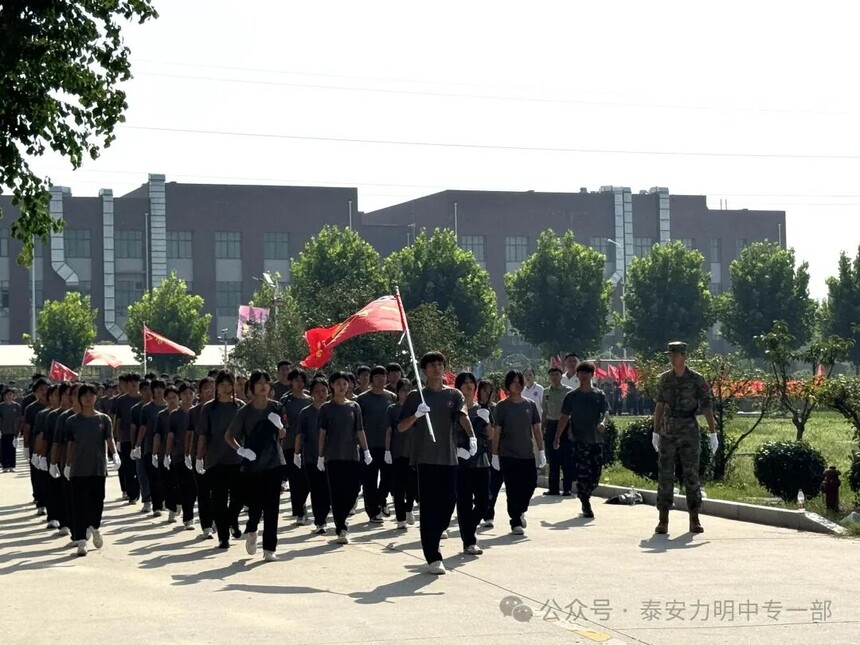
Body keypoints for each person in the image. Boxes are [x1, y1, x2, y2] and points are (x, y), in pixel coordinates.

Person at [399, 351, 476, 575]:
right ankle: (433, 556)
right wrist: (416, 415)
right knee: (429, 507)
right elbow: (401, 426)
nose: (436, 367)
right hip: (425, 458)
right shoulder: (416, 397)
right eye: (431, 364)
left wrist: (471, 437)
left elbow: (463, 416)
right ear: (424, 370)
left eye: (439, 364)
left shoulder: (454, 394)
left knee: (449, 501)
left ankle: (438, 530)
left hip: (448, 457)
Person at [653, 341, 718, 535]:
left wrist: (713, 432)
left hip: (689, 429)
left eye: (676, 355)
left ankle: (694, 518)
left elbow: (706, 406)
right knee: (665, 474)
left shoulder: (697, 379)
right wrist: (656, 431)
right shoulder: (665, 379)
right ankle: (663, 519)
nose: (672, 358)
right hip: (668, 430)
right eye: (670, 355)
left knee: (691, 474)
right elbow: (660, 405)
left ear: (684, 356)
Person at [226, 370, 287, 563]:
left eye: (266, 382)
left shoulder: (277, 407)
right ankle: (252, 529)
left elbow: (283, 435)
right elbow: (229, 436)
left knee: (272, 507)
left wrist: (280, 427)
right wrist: (241, 450)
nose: (263, 386)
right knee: (255, 504)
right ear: (252, 387)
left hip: (274, 462)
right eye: (258, 383)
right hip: (253, 464)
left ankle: (269, 548)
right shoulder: (244, 412)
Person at [65, 383, 121, 557]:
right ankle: (81, 540)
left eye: (91, 395)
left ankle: (95, 527)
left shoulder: (103, 419)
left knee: (97, 502)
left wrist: (115, 454)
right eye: (84, 395)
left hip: (97, 468)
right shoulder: (72, 421)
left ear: (96, 397)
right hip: (78, 469)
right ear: (79, 399)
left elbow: (109, 438)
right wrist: (67, 464)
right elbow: (70, 445)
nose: (88, 398)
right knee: (79, 504)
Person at [318, 371, 372, 545]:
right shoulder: (326, 408)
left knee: (353, 490)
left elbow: (360, 430)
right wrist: (320, 456)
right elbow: (322, 433)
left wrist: (366, 450)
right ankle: (341, 527)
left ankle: (344, 516)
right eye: (338, 383)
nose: (342, 387)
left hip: (352, 455)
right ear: (332, 386)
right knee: (336, 492)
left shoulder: (354, 407)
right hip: (333, 456)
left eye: (345, 383)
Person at [492, 370, 545, 535]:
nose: (516, 385)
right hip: (508, 454)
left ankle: (521, 509)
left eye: (519, 382)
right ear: (508, 385)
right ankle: (515, 521)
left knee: (530, 483)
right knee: (512, 489)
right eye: (513, 382)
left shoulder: (530, 405)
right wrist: (494, 455)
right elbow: (497, 432)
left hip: (527, 453)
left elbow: (537, 429)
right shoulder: (502, 406)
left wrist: (541, 451)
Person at [554, 362, 610, 518]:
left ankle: (586, 492)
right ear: (577, 375)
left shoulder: (599, 395)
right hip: (579, 440)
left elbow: (605, 413)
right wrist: (557, 436)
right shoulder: (572, 396)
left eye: (587, 373)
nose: (584, 376)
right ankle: (585, 501)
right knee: (583, 473)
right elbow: (564, 417)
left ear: (592, 375)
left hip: (596, 440)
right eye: (581, 373)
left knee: (595, 475)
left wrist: (603, 423)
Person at [197, 371, 245, 549]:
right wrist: (199, 457)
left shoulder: (240, 406)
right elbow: (203, 434)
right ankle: (223, 537)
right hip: (216, 459)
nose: (226, 388)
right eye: (222, 384)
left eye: (229, 384)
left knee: (239, 497)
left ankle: (232, 519)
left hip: (237, 458)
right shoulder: (209, 408)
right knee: (219, 500)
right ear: (217, 386)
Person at [455, 372, 492, 556]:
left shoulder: (482, 409)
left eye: (471, 382)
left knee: (484, 501)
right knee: (464, 502)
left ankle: (469, 527)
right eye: (465, 383)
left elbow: (491, 436)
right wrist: (456, 449)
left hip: (481, 461)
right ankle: (469, 541)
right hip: (460, 461)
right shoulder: (454, 409)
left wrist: (487, 421)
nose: (469, 385)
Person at [357, 365, 396, 523]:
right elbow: (358, 423)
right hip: (369, 445)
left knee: (388, 477)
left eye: (383, 376)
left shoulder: (392, 397)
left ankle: (381, 500)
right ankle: (373, 511)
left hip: (388, 445)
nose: (381, 379)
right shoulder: (362, 399)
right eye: (377, 376)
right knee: (370, 480)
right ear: (372, 379)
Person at [295, 377, 331, 534]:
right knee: (316, 490)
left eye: (323, 390)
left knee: (328, 490)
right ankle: (320, 521)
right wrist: (297, 454)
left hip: (331, 456)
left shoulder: (332, 409)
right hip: (311, 457)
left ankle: (326, 514)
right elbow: (299, 435)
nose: (320, 394)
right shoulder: (306, 412)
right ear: (311, 393)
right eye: (317, 391)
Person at [279, 368, 312, 524]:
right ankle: (299, 511)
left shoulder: (310, 400)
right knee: (295, 479)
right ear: (291, 382)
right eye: (296, 380)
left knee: (307, 478)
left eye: (301, 380)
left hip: (308, 444)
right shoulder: (285, 401)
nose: (299, 383)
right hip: (290, 444)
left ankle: (302, 504)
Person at [387, 378, 416, 529]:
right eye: (403, 390)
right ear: (398, 392)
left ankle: (409, 508)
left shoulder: (416, 409)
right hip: (397, 452)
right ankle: (400, 518)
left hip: (413, 453)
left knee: (412, 486)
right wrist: (387, 450)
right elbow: (389, 431)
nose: (406, 393)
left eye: (408, 390)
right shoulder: (392, 409)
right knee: (398, 487)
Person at [136, 379, 167, 518]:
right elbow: (143, 427)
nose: (159, 391)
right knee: (153, 477)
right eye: (156, 388)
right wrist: (137, 445)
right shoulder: (147, 408)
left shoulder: (170, 406)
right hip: (150, 447)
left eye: (161, 388)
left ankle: (166, 500)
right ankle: (157, 506)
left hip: (167, 448)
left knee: (165, 477)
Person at [189, 376, 216, 537]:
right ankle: (206, 526)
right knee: (204, 492)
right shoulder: (194, 412)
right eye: (206, 388)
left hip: (219, 456)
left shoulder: (220, 408)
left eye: (213, 387)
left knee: (218, 492)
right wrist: (190, 455)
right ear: (199, 392)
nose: (210, 391)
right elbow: (190, 435)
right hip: (200, 456)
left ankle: (217, 521)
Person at [542, 366, 573, 496]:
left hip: (565, 425)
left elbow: (572, 411)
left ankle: (567, 488)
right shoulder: (546, 392)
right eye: (552, 375)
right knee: (553, 458)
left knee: (566, 457)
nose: (554, 377)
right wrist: (542, 427)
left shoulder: (568, 391)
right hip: (551, 424)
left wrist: (571, 429)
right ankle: (553, 488)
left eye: (557, 375)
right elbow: (545, 411)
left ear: (561, 376)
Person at [112, 374, 141, 504]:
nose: (133, 385)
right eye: (130, 382)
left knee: (139, 467)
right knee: (128, 467)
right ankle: (132, 494)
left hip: (140, 438)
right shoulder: (121, 400)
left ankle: (140, 491)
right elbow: (118, 419)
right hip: (125, 438)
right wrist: (117, 438)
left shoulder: (143, 398)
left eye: (136, 382)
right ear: (126, 384)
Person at [154, 385, 181, 523]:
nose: (172, 400)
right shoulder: (161, 415)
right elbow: (157, 434)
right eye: (169, 398)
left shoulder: (185, 412)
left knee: (181, 482)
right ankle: (171, 509)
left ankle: (179, 503)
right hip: (166, 454)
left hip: (181, 454)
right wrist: (155, 453)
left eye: (174, 397)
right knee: (168, 483)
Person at [478, 380, 501, 528]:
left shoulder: (497, 408)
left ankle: (489, 513)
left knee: (494, 485)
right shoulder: (474, 407)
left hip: (495, 452)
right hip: (478, 453)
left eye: (490, 390)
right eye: (484, 390)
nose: (487, 393)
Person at [130, 380, 153, 512]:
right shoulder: (136, 409)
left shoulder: (160, 406)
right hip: (141, 445)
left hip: (156, 445)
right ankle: (146, 500)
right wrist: (134, 446)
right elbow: (133, 428)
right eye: (144, 390)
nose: (148, 392)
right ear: (140, 392)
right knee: (142, 473)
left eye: (150, 389)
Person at [0, 387, 22, 472]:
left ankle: (12, 466)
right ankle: (5, 466)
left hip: (14, 430)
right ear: (5, 396)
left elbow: (19, 419)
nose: (9, 396)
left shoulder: (17, 406)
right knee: (4, 448)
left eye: (11, 394)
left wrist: (19, 430)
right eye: (7, 394)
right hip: (4, 430)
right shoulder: (1, 406)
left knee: (12, 448)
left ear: (13, 396)